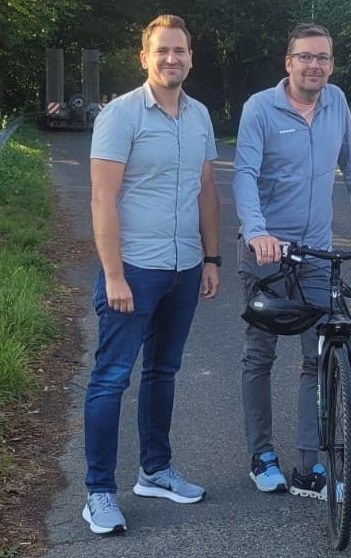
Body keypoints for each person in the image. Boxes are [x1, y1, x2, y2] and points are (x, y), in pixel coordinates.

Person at [232, 22, 351, 500]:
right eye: (305, 57)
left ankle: (308, 467)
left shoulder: (336, 102)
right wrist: (257, 232)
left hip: (317, 254)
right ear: (289, 62)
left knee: (315, 359)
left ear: (331, 64)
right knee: (260, 355)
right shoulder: (260, 107)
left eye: (323, 58)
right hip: (269, 255)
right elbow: (244, 173)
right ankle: (261, 456)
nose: (314, 65)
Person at [83, 14, 220, 534]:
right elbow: (102, 197)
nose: (171, 59)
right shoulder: (121, 116)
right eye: (162, 50)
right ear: (144, 57)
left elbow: (207, 190)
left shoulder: (200, 116)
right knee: (111, 379)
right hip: (134, 269)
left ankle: (155, 471)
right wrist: (113, 274)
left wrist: (211, 259)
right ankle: (98, 491)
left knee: (163, 373)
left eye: (180, 50)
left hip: (184, 268)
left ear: (190, 57)